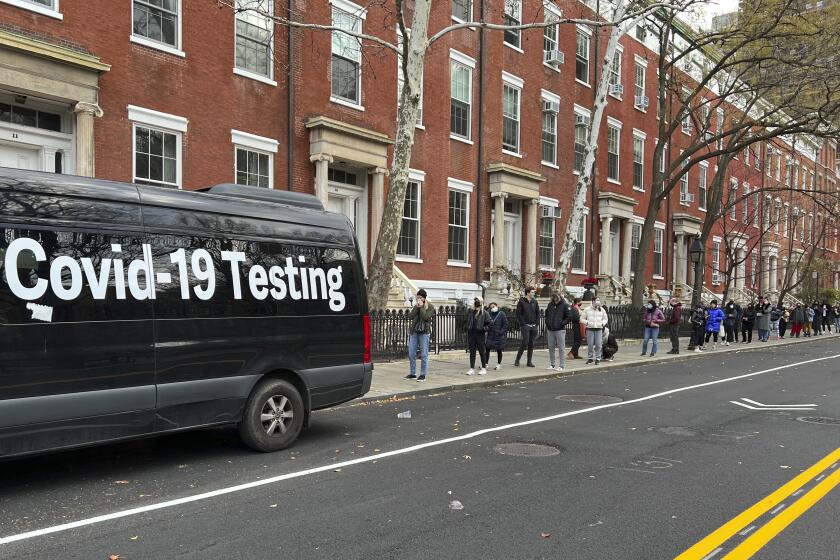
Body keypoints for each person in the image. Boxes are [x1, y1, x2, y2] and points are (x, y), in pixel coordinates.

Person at [406, 289, 435, 381]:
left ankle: (423, 374)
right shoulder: (416, 306)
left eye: (420, 297)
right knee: (411, 353)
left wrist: (422, 307)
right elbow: (410, 316)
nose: (418, 299)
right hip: (414, 332)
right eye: (417, 297)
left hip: (424, 333)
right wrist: (417, 307)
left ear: (424, 298)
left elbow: (425, 317)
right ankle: (413, 373)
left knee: (424, 354)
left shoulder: (430, 307)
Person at [545, 292, 571, 371]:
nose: (555, 298)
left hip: (560, 330)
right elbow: (546, 314)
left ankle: (561, 365)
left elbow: (569, 317)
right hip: (550, 329)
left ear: (560, 297)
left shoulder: (565, 305)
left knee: (561, 348)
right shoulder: (550, 305)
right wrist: (547, 322)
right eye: (553, 296)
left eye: (556, 296)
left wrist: (562, 323)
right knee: (551, 347)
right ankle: (552, 364)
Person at [514, 287, 540, 367]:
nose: (533, 294)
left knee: (531, 343)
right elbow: (519, 314)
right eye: (532, 292)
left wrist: (537, 323)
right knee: (525, 342)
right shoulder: (521, 302)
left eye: (534, 292)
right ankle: (517, 359)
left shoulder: (534, 302)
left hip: (533, 326)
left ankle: (529, 361)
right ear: (528, 293)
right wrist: (523, 324)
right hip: (525, 326)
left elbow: (537, 313)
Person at [465, 297, 491, 376]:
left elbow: (490, 324)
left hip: (480, 335)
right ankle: (472, 368)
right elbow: (467, 321)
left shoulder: (484, 313)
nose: (476, 302)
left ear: (481, 302)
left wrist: (483, 329)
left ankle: (483, 368)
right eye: (475, 301)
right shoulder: (471, 312)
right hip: (471, 334)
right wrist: (467, 328)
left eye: (478, 301)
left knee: (482, 352)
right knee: (472, 352)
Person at [581, 298, 609, 364]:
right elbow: (582, 319)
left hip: (599, 329)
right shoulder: (587, 309)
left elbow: (605, 319)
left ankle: (598, 358)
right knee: (590, 344)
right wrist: (587, 323)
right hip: (590, 329)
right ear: (593, 301)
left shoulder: (602, 310)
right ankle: (590, 358)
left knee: (598, 344)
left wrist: (602, 323)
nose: (598, 302)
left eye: (599, 300)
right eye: (596, 300)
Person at [484, 302, 508, 371]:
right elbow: (487, 323)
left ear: (497, 306)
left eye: (493, 306)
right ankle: (485, 364)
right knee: (487, 349)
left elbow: (505, 324)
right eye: (491, 307)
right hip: (491, 334)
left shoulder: (501, 313)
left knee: (499, 350)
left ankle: (498, 364)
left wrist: (501, 332)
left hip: (498, 335)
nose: (492, 308)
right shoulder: (489, 314)